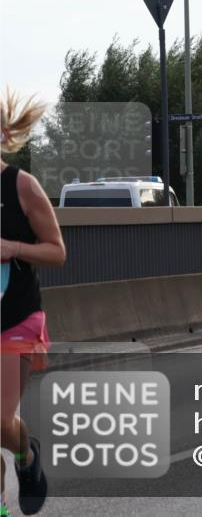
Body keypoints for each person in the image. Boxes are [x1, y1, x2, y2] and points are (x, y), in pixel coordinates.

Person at [1, 90, 67, 517]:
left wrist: (12, 247)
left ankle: (26, 457)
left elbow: (57, 251)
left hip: (16, 316)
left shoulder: (21, 185)